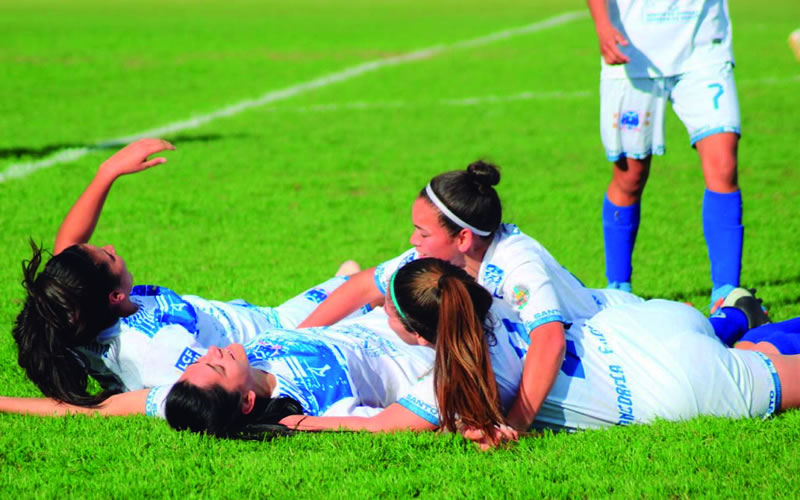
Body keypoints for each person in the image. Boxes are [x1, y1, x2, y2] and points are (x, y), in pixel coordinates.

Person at [167, 258, 800, 450]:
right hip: (640, 327)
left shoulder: (456, 377)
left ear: (418, 334)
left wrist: (295, 423)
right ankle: (743, 322)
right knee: (754, 345)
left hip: (670, 382)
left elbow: (389, 424)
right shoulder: (499, 276)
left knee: (762, 365)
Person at [9, 138, 365, 410]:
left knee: (352, 276)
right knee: (372, 287)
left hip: (260, 318)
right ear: (114, 296)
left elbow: (69, 247)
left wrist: (109, 172)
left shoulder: (73, 312)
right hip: (277, 335)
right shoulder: (158, 352)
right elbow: (220, 384)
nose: (113, 248)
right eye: (108, 257)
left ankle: (344, 281)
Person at [297, 161, 640, 432]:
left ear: (462, 239)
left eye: (422, 232)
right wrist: (298, 337)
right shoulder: (436, 260)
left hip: (618, 331)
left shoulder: (517, 263)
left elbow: (549, 341)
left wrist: (515, 424)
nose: (412, 239)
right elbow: (365, 284)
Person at [587, 0, 744, 310]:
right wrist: (603, 25)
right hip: (633, 51)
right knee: (629, 175)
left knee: (724, 165)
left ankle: (728, 295)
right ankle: (619, 289)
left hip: (704, 48)